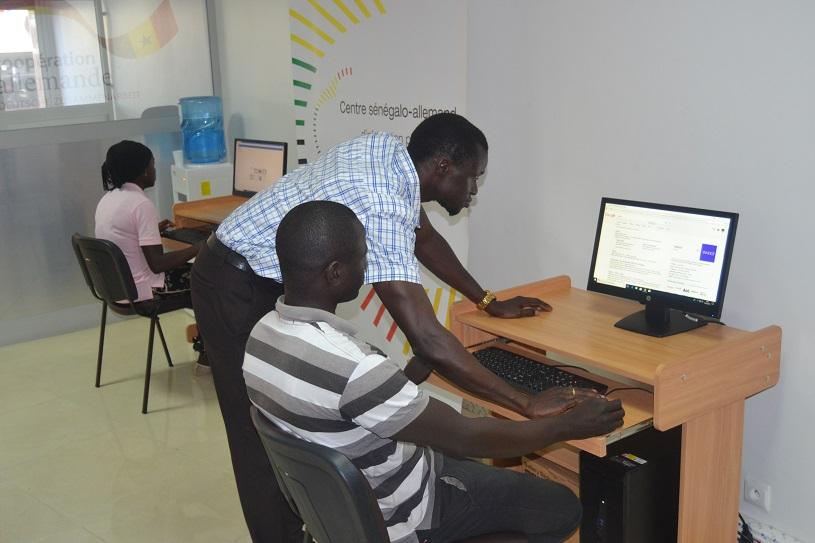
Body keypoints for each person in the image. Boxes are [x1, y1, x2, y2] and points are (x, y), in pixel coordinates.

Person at [191, 113, 593, 542]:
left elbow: (425, 239)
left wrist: (487, 301)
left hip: (254, 269)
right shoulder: (381, 202)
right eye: (473, 177)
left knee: (298, 420)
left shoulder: (390, 155)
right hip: (234, 281)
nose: (474, 190)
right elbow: (427, 338)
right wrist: (526, 402)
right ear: (443, 168)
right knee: (259, 439)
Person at [245, 201, 625, 543]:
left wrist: (404, 378)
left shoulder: (261, 337)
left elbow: (337, 408)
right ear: (335, 273)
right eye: (362, 256)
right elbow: (465, 437)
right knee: (562, 506)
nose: (368, 265)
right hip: (411, 511)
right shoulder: (354, 369)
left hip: (351, 507)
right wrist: (567, 426)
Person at [95, 140, 208, 370]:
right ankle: (209, 355)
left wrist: (153, 230)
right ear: (143, 171)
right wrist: (202, 246)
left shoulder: (108, 199)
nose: (155, 170)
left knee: (200, 272)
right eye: (153, 165)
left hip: (117, 289)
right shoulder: (140, 204)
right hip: (145, 291)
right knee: (208, 278)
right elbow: (157, 264)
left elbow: (124, 237)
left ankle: (207, 347)